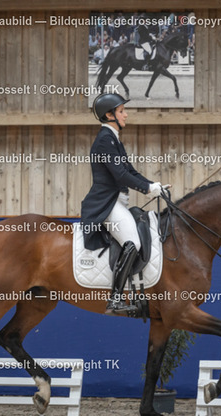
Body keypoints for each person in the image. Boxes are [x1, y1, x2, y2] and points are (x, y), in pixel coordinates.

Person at [81, 93, 167, 316]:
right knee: (133, 242)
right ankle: (116, 298)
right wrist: (147, 189)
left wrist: (154, 185)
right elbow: (120, 175)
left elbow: (130, 171)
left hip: (116, 202)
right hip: (107, 204)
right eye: (121, 111)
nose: (126, 115)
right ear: (110, 115)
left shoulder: (113, 139)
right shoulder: (105, 140)